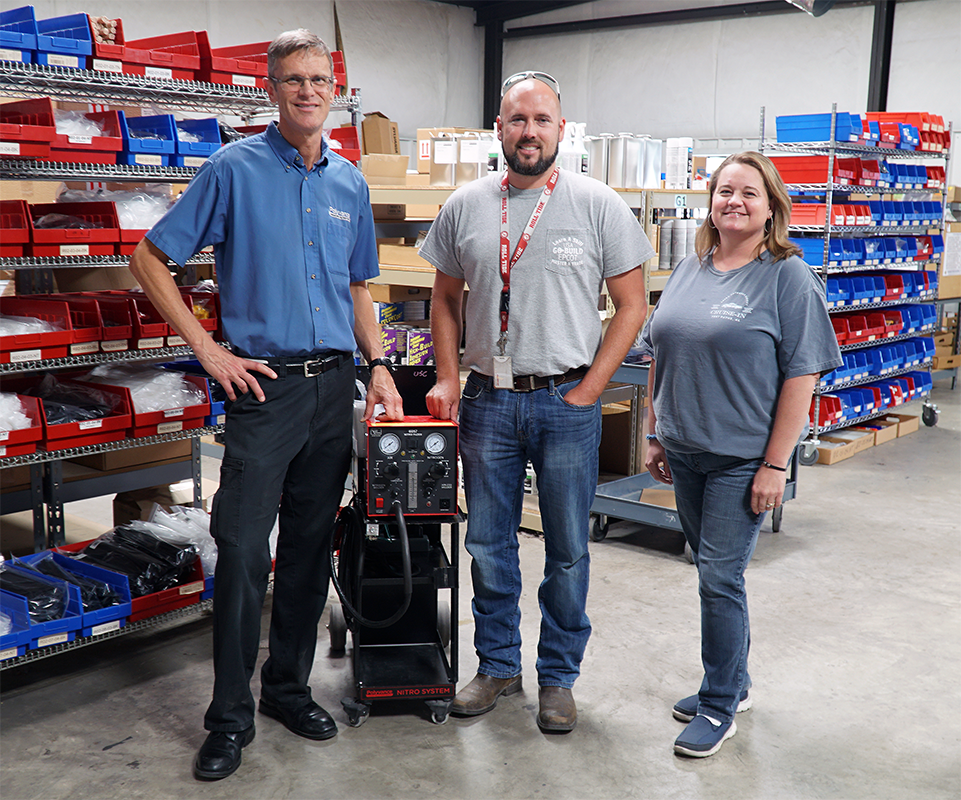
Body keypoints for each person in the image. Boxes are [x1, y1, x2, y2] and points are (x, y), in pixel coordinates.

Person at [128, 29, 403, 781]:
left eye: (320, 79)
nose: (308, 91)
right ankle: (228, 719)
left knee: (312, 547)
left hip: (333, 388)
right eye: (294, 80)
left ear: (333, 90)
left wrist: (377, 366)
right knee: (246, 554)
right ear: (271, 90)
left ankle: (286, 689)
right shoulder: (233, 169)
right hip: (265, 390)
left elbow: (357, 289)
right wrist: (209, 354)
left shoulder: (349, 181)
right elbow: (150, 257)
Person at [421, 71, 654, 732]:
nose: (529, 132)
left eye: (541, 120)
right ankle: (496, 666)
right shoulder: (465, 204)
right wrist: (443, 375)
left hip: (564, 402)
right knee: (489, 545)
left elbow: (631, 307)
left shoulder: (597, 203)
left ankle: (557, 678)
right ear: (498, 128)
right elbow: (443, 297)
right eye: (517, 120)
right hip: (487, 404)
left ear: (560, 128)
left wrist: (588, 391)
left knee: (567, 551)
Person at [638, 151, 842, 757]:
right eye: (725, 191)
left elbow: (801, 377)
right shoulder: (691, 265)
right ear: (711, 201)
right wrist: (655, 429)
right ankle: (733, 681)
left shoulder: (788, 276)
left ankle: (720, 704)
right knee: (711, 568)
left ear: (771, 205)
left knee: (718, 578)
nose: (735, 202)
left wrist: (776, 466)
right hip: (684, 448)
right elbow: (660, 351)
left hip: (741, 458)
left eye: (749, 193)